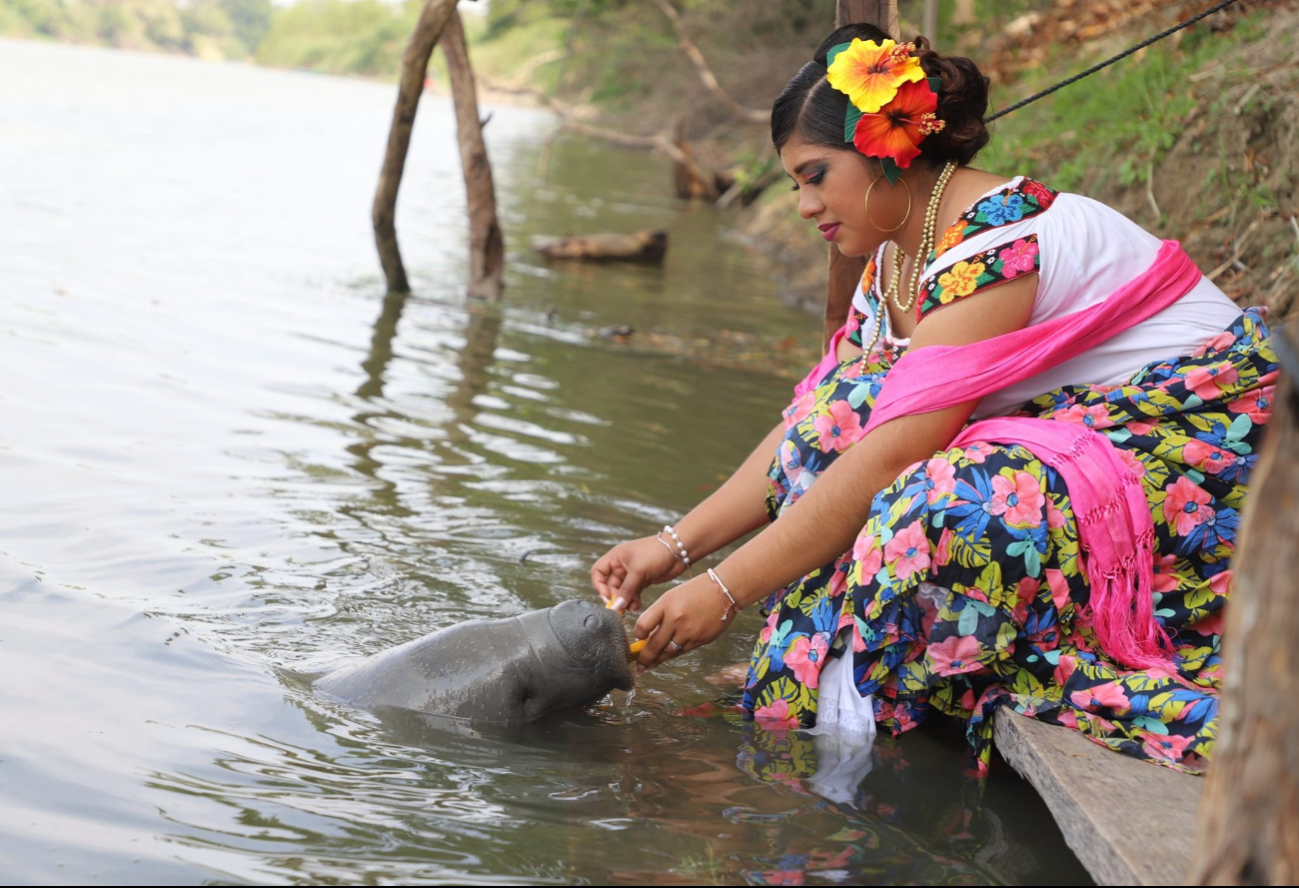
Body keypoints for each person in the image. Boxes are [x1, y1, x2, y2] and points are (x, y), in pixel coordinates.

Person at [590, 24, 1277, 773]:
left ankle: (860, 672)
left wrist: (722, 592)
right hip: (1090, 445)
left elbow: (891, 456)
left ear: (886, 147)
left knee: (945, 505)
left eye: (815, 174)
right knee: (837, 420)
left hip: (1215, 460)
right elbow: (815, 429)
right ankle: (850, 664)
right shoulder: (891, 263)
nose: (801, 204)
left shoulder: (996, 244)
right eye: (793, 183)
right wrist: (672, 547)